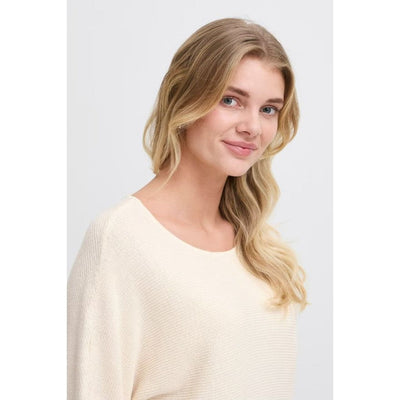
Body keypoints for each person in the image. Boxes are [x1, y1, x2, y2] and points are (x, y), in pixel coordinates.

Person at [68, 17, 307, 400]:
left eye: (268, 109)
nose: (252, 127)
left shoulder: (258, 246)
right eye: (230, 100)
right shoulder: (120, 239)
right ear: (185, 98)